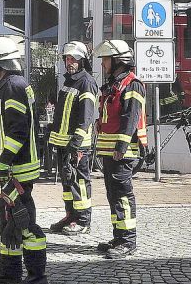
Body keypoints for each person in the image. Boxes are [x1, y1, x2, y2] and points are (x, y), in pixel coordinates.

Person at [0, 37, 47, 284]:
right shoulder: (12, 85)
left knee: (24, 222)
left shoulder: (12, 87)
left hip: (18, 169)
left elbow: (17, 132)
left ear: (0, 63)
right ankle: (9, 272)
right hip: (15, 168)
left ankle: (37, 276)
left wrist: (3, 164)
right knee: (9, 221)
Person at [93, 39, 147, 259]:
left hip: (122, 152)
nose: (103, 64)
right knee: (113, 195)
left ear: (118, 61)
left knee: (123, 195)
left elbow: (131, 118)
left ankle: (128, 240)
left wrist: (121, 146)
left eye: (106, 59)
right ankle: (119, 236)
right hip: (109, 150)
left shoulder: (132, 84)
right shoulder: (114, 84)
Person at [47, 41, 98, 235]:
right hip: (63, 143)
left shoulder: (86, 81)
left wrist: (76, 143)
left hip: (77, 145)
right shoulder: (69, 81)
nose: (70, 62)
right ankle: (71, 215)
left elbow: (86, 116)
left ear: (82, 60)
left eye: (73, 59)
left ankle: (83, 220)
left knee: (80, 182)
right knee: (67, 183)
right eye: (67, 59)